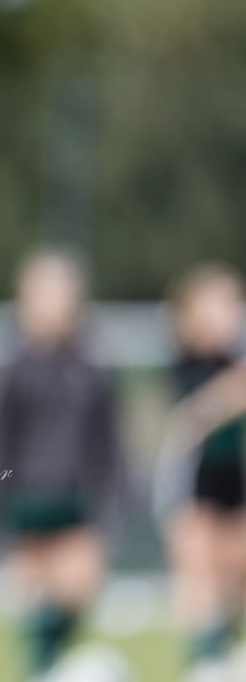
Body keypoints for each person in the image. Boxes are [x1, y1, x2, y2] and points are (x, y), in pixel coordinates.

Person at [0, 249, 127, 679]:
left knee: (80, 590)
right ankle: (42, 669)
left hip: (75, 497)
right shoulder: (14, 365)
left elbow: (110, 439)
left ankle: (49, 664)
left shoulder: (93, 364)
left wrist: (117, 493)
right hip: (25, 498)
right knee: (33, 602)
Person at [161, 264, 246, 680]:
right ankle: (204, 662)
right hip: (194, 482)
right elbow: (194, 414)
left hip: (237, 480)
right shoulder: (187, 361)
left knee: (235, 571)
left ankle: (224, 651)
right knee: (199, 569)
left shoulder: (234, 356)